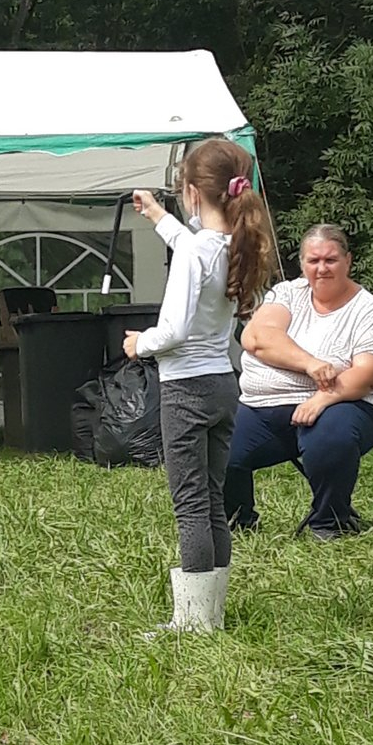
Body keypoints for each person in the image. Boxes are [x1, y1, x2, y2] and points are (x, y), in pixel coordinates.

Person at [123, 138, 274, 633]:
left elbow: (173, 331)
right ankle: (212, 613)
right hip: (223, 385)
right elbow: (191, 245)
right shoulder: (235, 244)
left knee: (189, 505)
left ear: (190, 192)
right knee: (211, 499)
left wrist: (140, 343)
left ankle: (192, 623)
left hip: (185, 391)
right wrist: (156, 215)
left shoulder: (196, 251)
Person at [225, 224, 373, 541]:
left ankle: (329, 523)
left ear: (348, 261)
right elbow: (256, 338)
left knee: (329, 436)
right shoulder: (287, 294)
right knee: (219, 444)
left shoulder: (366, 307)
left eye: (330, 260)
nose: (322, 268)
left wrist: (323, 398)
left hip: (352, 402)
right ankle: (236, 521)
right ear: (302, 263)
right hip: (265, 404)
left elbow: (372, 372)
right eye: (313, 260)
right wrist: (311, 364)